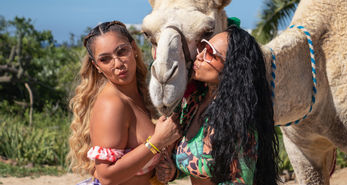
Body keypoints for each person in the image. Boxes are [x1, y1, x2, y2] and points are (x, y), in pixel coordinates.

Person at [67, 21, 180, 185]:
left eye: (122, 51)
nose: (118, 64)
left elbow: (138, 163)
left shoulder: (142, 94)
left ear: (133, 48)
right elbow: (106, 177)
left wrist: (166, 169)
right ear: (96, 66)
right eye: (105, 59)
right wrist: (157, 142)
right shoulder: (112, 104)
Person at [166, 25, 280, 185]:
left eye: (210, 53)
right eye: (203, 48)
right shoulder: (194, 103)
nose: (199, 56)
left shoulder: (238, 121)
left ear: (232, 67)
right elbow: (197, 164)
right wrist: (173, 171)